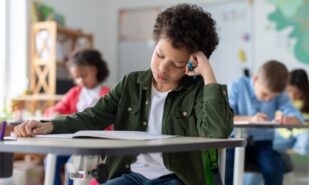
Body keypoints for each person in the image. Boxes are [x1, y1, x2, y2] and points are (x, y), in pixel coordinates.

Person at [14, 4, 233, 185]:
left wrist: (207, 72)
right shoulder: (131, 83)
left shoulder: (198, 91)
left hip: (176, 179)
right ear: (155, 43)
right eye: (159, 54)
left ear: (193, 63)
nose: (162, 68)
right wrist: (49, 126)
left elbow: (217, 133)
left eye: (176, 64)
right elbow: (93, 117)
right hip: (131, 176)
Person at [225, 60, 304, 185]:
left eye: (272, 97)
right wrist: (250, 119)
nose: (268, 99)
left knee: (274, 168)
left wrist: (288, 119)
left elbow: (298, 117)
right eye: (265, 94)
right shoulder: (237, 85)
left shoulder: (278, 93)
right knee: (226, 169)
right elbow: (224, 117)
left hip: (263, 145)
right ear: (255, 79)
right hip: (235, 143)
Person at [45, 48, 111, 185]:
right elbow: (56, 109)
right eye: (76, 77)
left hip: (92, 148)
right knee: (50, 160)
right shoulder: (75, 93)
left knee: (73, 166)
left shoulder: (107, 94)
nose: (80, 80)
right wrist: (55, 115)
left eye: (84, 75)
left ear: (94, 70)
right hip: (71, 143)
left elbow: (109, 123)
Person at [274, 69, 309, 155]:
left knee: (305, 143)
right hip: (284, 133)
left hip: (303, 132)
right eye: (289, 91)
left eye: (297, 93)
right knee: (270, 145)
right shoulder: (281, 98)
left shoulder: (305, 102)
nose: (292, 96)